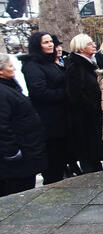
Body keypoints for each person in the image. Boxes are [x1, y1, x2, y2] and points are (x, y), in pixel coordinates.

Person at [20, 32, 68, 184]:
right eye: (45, 42)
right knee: (53, 162)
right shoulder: (32, 66)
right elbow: (40, 92)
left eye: (50, 41)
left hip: (60, 119)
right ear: (37, 46)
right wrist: (65, 93)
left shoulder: (50, 62)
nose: (50, 44)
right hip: (49, 121)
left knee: (60, 159)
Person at [0, 53, 45, 196]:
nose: (13, 69)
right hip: (16, 159)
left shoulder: (9, 86)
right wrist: (12, 152)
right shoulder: (2, 91)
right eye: (10, 66)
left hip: (26, 149)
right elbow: (2, 125)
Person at [64, 34, 103, 173]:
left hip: (90, 117)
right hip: (84, 119)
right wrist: (93, 106)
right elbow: (75, 94)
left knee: (93, 153)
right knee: (88, 154)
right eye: (89, 44)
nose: (94, 45)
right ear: (81, 48)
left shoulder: (88, 64)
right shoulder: (76, 67)